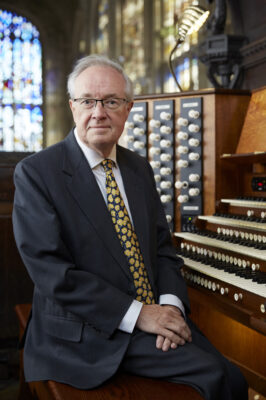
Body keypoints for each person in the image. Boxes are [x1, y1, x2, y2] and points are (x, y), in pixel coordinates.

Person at [12, 54, 248, 400]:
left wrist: (168, 307)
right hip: (85, 330)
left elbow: (162, 251)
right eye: (88, 101)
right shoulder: (37, 173)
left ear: (128, 108)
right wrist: (140, 316)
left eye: (111, 101)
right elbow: (53, 274)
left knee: (233, 377)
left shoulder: (139, 169)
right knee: (214, 377)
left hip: (150, 314)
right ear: (72, 106)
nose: (99, 112)